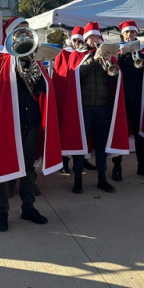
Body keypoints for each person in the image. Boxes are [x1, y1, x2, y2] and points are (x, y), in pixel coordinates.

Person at [0, 20, 62, 231]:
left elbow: (43, 89)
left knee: (28, 168)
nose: (24, 37)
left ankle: (28, 208)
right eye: (19, 33)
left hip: (30, 121)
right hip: (5, 124)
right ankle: (2, 212)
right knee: (4, 168)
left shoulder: (32, 58)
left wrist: (37, 70)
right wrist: (14, 67)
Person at [60, 21, 129, 194]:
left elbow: (116, 80)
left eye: (96, 36)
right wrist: (94, 59)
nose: (94, 39)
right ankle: (78, 179)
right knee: (79, 143)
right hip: (83, 106)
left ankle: (102, 178)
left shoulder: (108, 56)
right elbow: (76, 75)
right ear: (86, 38)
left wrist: (110, 67)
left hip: (103, 107)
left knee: (101, 144)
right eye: (91, 37)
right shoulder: (78, 54)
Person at [110, 20, 144, 181]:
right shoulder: (116, 51)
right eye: (127, 32)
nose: (129, 35)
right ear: (122, 34)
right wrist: (122, 57)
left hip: (139, 98)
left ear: (136, 34)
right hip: (122, 99)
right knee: (121, 132)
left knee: (140, 133)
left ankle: (142, 165)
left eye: (132, 32)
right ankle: (117, 166)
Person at [52, 26, 83, 175]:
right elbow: (59, 76)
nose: (77, 43)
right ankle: (64, 161)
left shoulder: (86, 54)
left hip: (81, 100)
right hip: (65, 98)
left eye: (80, 40)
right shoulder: (63, 54)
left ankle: (83, 159)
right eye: (75, 40)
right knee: (64, 129)